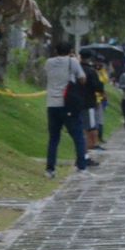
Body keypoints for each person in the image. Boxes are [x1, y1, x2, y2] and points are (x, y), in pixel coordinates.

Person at [44, 42, 93, 178]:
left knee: (54, 138)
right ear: (70, 50)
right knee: (78, 136)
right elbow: (83, 79)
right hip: (68, 104)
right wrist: (74, 60)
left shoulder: (48, 62)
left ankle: (50, 169)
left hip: (52, 104)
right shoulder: (73, 62)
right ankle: (82, 167)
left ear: (55, 50)